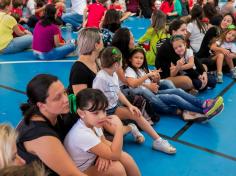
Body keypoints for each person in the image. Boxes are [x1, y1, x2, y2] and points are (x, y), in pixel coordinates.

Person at [93, 46, 177, 154]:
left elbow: (118, 92)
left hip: (114, 107)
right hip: (104, 112)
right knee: (117, 131)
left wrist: (130, 106)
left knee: (137, 114)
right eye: (121, 61)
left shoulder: (113, 74)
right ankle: (130, 128)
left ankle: (158, 141)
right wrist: (102, 119)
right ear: (116, 65)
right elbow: (96, 101)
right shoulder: (100, 78)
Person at [16, 74, 87, 176]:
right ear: (41, 105)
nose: (66, 99)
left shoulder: (53, 112)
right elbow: (72, 174)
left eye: (64, 92)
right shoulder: (41, 136)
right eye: (57, 97)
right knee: (112, 168)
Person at [125, 47, 224, 119]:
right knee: (174, 97)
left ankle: (203, 104)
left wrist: (156, 79)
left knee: (178, 91)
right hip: (149, 98)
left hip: (154, 92)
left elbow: (153, 82)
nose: (139, 60)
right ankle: (203, 110)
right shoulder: (129, 70)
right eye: (136, 57)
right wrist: (148, 78)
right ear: (130, 59)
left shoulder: (142, 69)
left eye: (141, 58)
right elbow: (132, 84)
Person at [64, 88, 141, 176]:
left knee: (126, 158)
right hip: (79, 172)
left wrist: (103, 155)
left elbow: (103, 141)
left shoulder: (93, 123)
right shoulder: (82, 134)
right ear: (81, 113)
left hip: (90, 162)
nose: (102, 116)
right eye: (95, 113)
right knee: (117, 169)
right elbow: (114, 155)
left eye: (104, 110)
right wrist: (119, 128)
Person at [155, 19, 195, 90]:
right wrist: (198, 76)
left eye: (186, 30)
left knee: (203, 68)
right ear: (174, 32)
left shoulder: (180, 42)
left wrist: (202, 72)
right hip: (166, 76)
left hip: (178, 71)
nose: (186, 33)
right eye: (183, 30)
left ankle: (194, 84)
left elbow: (193, 59)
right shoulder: (168, 46)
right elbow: (182, 64)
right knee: (188, 82)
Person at [68, 28, 103, 95]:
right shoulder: (78, 70)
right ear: (96, 46)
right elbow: (82, 101)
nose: (103, 42)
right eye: (101, 40)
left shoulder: (95, 60)